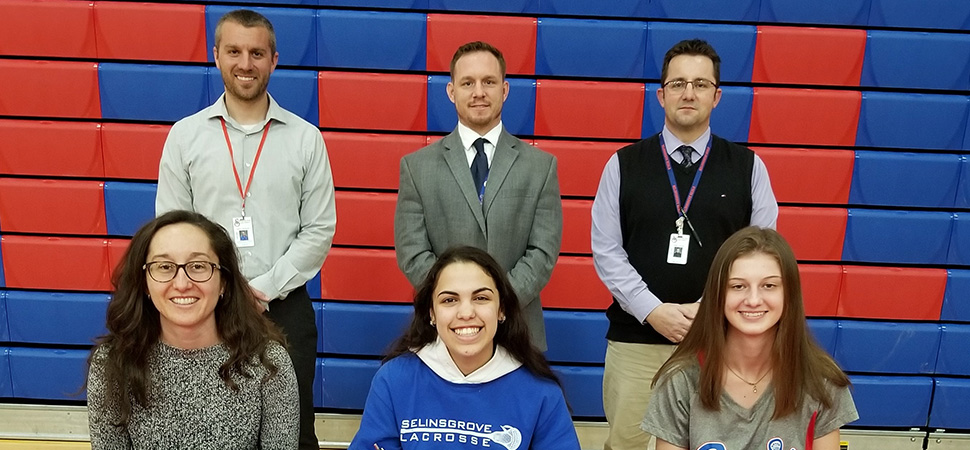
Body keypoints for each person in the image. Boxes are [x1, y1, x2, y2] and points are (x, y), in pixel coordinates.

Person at [155, 10, 336, 449]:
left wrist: (262, 290)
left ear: (274, 60)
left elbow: (319, 229)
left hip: (284, 308)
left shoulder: (305, 138)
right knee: (207, 430)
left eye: (257, 53)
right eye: (234, 51)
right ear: (216, 56)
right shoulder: (185, 137)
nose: (245, 63)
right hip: (204, 309)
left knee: (293, 432)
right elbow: (172, 231)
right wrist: (220, 288)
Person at [591, 38, 779, 450]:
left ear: (717, 96)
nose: (688, 93)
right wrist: (652, 310)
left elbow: (762, 256)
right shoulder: (623, 164)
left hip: (721, 341)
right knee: (628, 444)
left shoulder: (748, 167)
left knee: (716, 442)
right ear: (661, 95)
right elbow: (607, 251)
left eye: (700, 84)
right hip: (637, 341)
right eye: (677, 84)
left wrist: (708, 310)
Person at [394, 41, 562, 351]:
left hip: (518, 331)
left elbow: (542, 253)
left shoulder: (541, 167)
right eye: (468, 83)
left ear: (505, 89)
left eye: (489, 82)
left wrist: (498, 303)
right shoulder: (416, 167)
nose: (479, 92)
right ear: (451, 91)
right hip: (444, 334)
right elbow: (412, 253)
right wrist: (457, 305)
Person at [86, 210, 298, 449]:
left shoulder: (268, 363)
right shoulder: (113, 363)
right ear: (145, 282)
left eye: (198, 266)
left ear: (223, 281)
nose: (182, 284)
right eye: (164, 266)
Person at [641, 227, 858, 449]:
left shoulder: (822, 381)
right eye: (738, 286)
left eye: (769, 286)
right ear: (718, 294)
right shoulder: (680, 380)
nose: (753, 300)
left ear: (789, 294)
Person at [349, 246, 581, 450]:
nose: (466, 312)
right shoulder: (393, 380)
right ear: (432, 313)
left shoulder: (541, 393)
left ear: (501, 309)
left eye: (481, 298)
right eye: (449, 300)